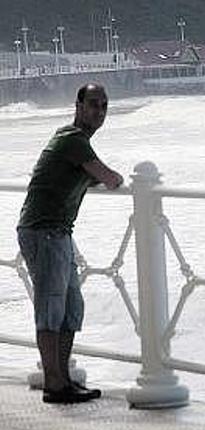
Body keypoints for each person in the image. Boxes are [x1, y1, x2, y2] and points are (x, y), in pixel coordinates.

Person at [17, 83, 124, 404]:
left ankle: (62, 378)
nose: (99, 111)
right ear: (78, 106)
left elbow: (90, 175)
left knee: (71, 308)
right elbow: (109, 177)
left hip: (59, 232)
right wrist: (111, 178)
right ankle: (54, 384)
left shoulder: (74, 144)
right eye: (93, 104)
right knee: (50, 308)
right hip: (44, 231)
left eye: (104, 106)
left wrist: (96, 176)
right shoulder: (72, 140)